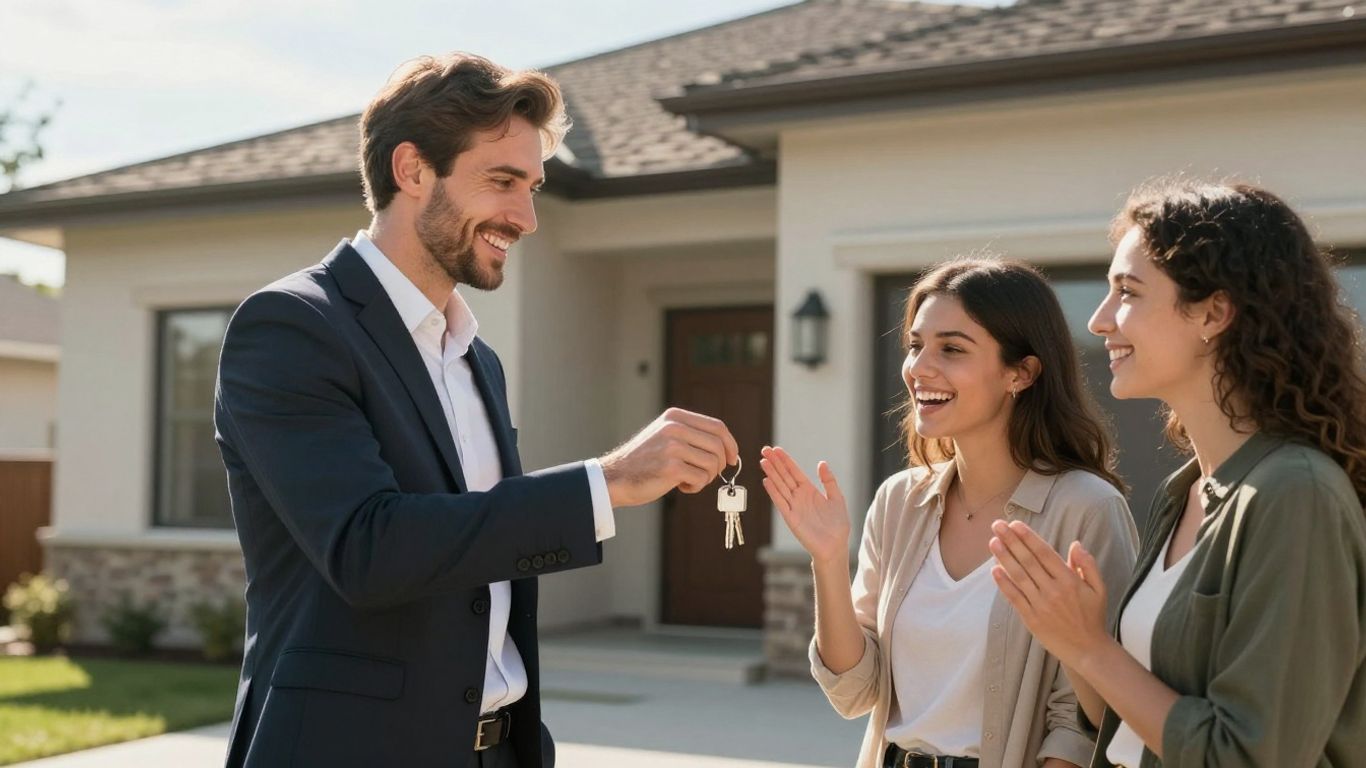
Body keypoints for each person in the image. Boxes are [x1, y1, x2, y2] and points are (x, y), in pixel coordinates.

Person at [214, 52, 738, 768]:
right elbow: (370, 550)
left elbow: (481, 562)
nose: (525, 218)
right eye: (502, 182)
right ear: (412, 170)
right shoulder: (291, 328)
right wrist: (606, 483)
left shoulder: (476, 359)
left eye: (534, 188)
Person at [989, 180, 1366, 767]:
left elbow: (1248, 756)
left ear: (1214, 313)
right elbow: (1130, 726)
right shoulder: (1184, 491)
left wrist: (1091, 648)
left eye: (1127, 293)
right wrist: (1069, 637)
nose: (1098, 320)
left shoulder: (1295, 494)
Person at [760, 259, 1138, 768]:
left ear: (1021, 373)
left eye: (952, 349)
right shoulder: (899, 501)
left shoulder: (1086, 509)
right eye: (916, 345)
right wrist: (827, 560)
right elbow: (854, 690)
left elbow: (1084, 721)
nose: (919, 367)